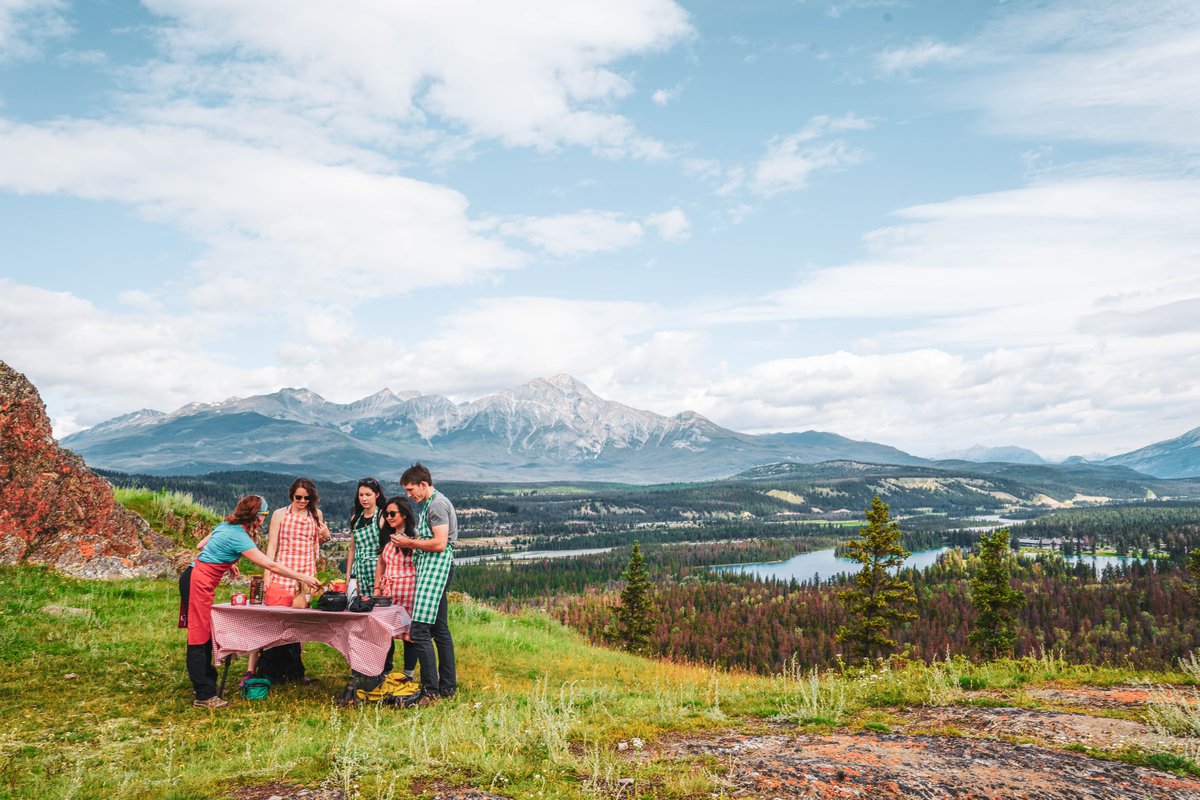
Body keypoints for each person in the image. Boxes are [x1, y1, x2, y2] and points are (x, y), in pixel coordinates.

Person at [179, 495, 320, 708]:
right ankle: (204, 696)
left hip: (193, 575)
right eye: (263, 515)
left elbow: (201, 546)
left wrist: (226, 561)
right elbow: (270, 565)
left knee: (205, 633)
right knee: (199, 637)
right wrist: (303, 577)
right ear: (256, 516)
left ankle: (206, 686)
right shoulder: (239, 536)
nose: (264, 519)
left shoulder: (226, 525)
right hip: (199, 582)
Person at [392, 463, 457, 706]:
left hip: (437, 566)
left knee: (419, 631)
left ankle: (431, 692)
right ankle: (447, 687)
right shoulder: (432, 503)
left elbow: (440, 543)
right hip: (437, 567)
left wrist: (409, 544)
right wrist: (411, 540)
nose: (409, 495)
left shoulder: (437, 504)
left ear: (423, 484)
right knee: (439, 630)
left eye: (411, 490)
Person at [259, 477, 330, 683]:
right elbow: (272, 545)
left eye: (307, 498)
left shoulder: (316, 515)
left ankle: (295, 669)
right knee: (278, 617)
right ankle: (272, 667)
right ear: (292, 495)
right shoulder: (280, 514)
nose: (302, 501)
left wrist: (326, 536)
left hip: (307, 572)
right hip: (283, 570)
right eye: (298, 497)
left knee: (300, 620)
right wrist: (267, 573)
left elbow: (318, 543)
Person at [374, 496, 419, 681]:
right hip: (388, 590)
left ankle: (408, 673)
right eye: (386, 514)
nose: (389, 517)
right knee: (386, 632)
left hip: (409, 590)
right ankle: (385, 670)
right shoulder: (386, 535)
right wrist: (377, 587)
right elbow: (381, 562)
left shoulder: (415, 537)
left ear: (405, 514)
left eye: (393, 513)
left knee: (410, 633)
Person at [345, 477, 386, 596]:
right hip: (358, 571)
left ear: (376, 495)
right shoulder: (356, 518)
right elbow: (352, 549)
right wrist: (348, 575)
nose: (364, 498)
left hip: (376, 569)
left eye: (368, 494)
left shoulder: (381, 516)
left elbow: (386, 548)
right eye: (361, 495)